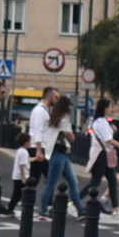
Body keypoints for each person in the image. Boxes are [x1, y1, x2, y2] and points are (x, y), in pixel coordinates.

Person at [34, 88, 83, 219]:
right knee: (51, 183)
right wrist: (71, 135)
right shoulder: (63, 120)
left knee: (73, 182)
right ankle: (43, 211)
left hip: (60, 154)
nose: (71, 110)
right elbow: (71, 137)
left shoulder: (55, 117)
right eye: (70, 107)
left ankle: (80, 210)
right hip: (59, 154)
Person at [85, 96, 119, 210]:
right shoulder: (101, 122)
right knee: (95, 182)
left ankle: (116, 207)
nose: (112, 109)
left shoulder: (103, 121)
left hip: (105, 154)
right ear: (104, 108)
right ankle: (76, 202)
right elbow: (108, 140)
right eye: (110, 107)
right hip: (101, 154)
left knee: (112, 181)